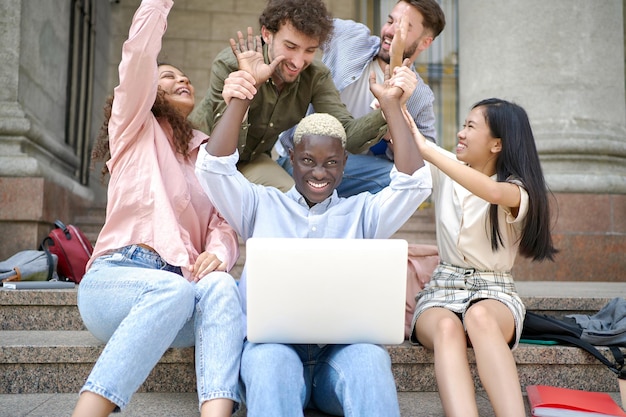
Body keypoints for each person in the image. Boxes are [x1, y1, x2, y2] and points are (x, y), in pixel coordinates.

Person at [194, 29, 432, 417]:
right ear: (291, 154)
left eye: (332, 163)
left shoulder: (363, 214)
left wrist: (390, 106)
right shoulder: (260, 204)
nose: (319, 173)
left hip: (341, 356)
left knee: (371, 361)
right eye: (307, 161)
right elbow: (213, 168)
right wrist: (242, 96)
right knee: (270, 364)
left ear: (344, 165)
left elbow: (415, 182)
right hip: (274, 350)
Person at [71, 1, 242, 416]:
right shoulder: (133, 128)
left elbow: (224, 222)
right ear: (151, 89)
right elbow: (140, 54)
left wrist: (219, 254)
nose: (182, 78)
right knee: (172, 288)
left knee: (221, 287)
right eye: (169, 76)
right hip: (117, 281)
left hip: (178, 295)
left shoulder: (205, 155)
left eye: (185, 76)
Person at [408, 98, 558, 417]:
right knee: (447, 329)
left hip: (496, 292)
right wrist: (394, 90)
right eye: (463, 125)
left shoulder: (518, 191)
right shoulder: (445, 168)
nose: (461, 133)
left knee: (480, 317)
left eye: (471, 127)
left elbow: (491, 193)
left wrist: (428, 149)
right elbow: (403, 138)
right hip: (441, 289)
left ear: (497, 144)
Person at [190, 0, 417, 193]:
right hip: (200, 156)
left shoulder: (314, 76)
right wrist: (247, 92)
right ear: (267, 34)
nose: (298, 62)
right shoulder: (231, 63)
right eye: (290, 46)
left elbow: (348, 136)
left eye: (310, 50)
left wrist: (388, 105)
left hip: (254, 159)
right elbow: (223, 153)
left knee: (292, 199)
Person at [278, 0, 445, 197]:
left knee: (412, 179)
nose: (390, 31)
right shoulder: (351, 36)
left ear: (425, 42)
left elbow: (426, 158)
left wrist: (392, 129)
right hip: (298, 157)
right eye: (390, 21)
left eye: (402, 28)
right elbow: (302, 22)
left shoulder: (420, 96)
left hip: (353, 172)